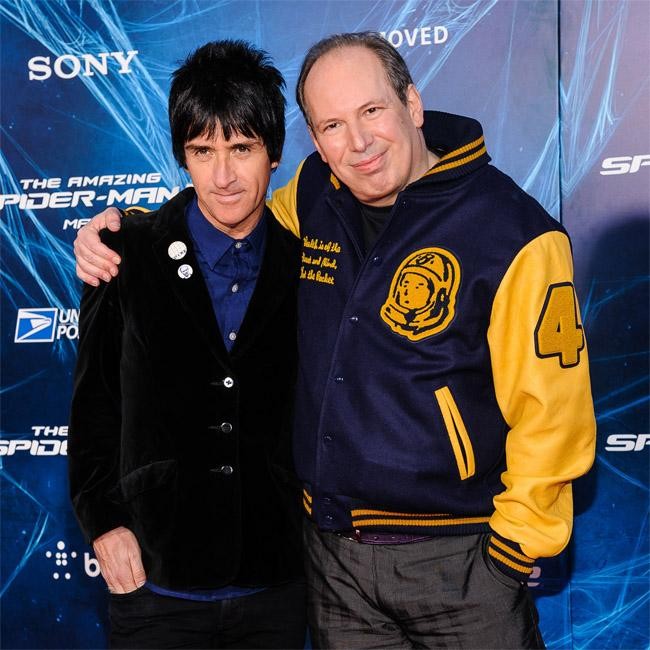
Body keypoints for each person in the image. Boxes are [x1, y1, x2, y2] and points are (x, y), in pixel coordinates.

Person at [73, 32, 596, 649]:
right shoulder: (315, 195)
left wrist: (513, 550)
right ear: (315, 141)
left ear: (412, 103)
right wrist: (126, 230)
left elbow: (555, 416)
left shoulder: (513, 231)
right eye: (332, 126)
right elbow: (228, 213)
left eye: (371, 111)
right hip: (332, 566)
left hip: (459, 559)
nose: (358, 142)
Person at [68, 40, 306, 650]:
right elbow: (94, 408)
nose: (222, 177)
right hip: (154, 580)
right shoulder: (125, 254)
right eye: (203, 151)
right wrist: (104, 523)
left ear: (274, 153)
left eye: (242, 148)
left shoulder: (307, 265)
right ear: (183, 156)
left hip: (276, 582)